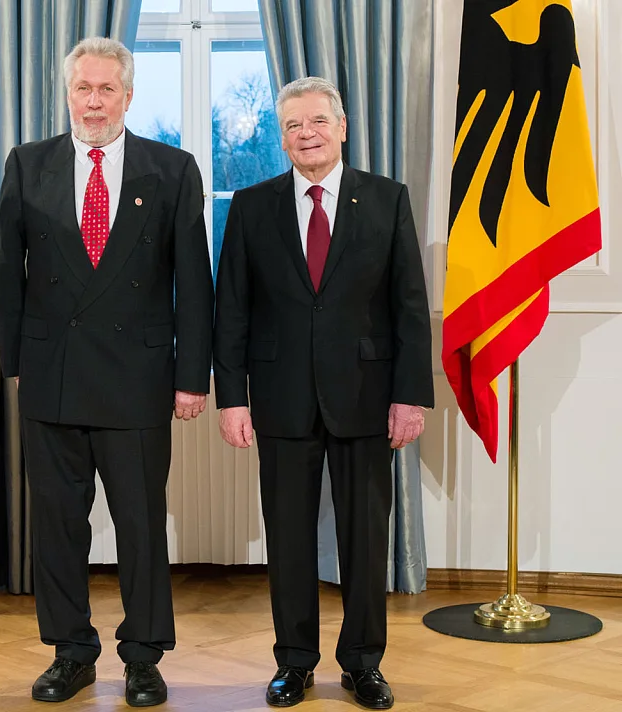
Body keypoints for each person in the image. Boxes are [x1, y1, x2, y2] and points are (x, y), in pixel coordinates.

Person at [0, 36, 214, 708]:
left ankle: (144, 657)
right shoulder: (29, 165)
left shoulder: (171, 169)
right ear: (68, 93)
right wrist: (20, 364)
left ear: (128, 95)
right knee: (57, 525)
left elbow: (194, 284)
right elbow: (6, 271)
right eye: (82, 88)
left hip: (140, 378)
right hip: (52, 378)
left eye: (105, 89)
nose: (93, 101)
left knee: (142, 525)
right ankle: (70, 652)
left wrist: (192, 376)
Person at [213, 76, 433, 710]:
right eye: (292, 125)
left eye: (316, 122)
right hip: (280, 400)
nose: (305, 134)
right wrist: (233, 398)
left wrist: (409, 394)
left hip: (367, 396)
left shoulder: (387, 199)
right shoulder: (252, 206)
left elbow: (409, 306)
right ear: (280, 135)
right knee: (287, 540)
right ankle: (294, 663)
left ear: (341, 127)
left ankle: (364, 664)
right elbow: (232, 310)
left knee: (366, 541)